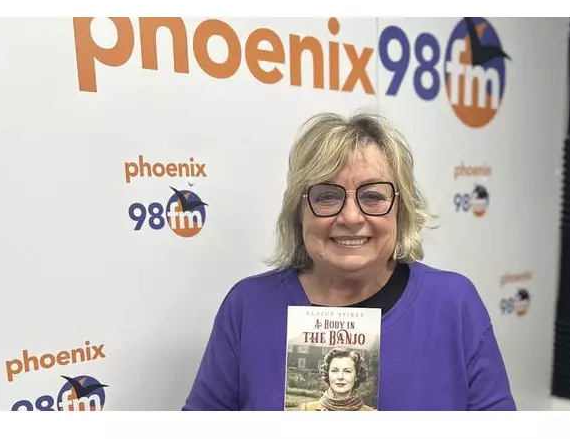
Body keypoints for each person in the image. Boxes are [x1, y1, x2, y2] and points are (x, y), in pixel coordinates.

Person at [182, 112, 516, 411]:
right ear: (299, 211)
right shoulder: (248, 306)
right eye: (327, 196)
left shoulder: (453, 304)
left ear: (401, 210)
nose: (351, 217)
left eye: (373, 196)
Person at [299, 347, 375, 411]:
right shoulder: (307, 409)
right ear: (327, 373)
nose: (340, 377)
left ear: (356, 376)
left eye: (347, 371)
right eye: (334, 371)